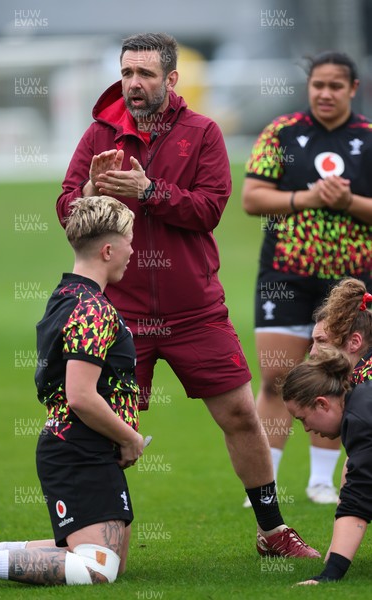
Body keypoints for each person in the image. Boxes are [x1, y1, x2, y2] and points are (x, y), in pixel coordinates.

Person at [55, 32, 319, 558]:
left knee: (241, 415)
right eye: (127, 72)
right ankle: (87, 534)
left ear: (171, 79)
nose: (133, 83)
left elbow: (209, 210)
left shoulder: (203, 133)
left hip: (195, 309)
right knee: (110, 426)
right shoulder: (99, 134)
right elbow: (66, 211)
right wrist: (89, 191)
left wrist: (148, 192)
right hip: (120, 312)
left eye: (145, 74)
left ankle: (272, 532)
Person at [0, 195, 145, 586]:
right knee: (96, 569)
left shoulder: (66, 296)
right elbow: (80, 395)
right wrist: (131, 439)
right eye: (129, 241)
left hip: (81, 443)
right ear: (108, 250)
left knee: (111, 561)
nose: (133, 250)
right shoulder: (92, 308)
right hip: (78, 445)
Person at [242, 50, 372, 505]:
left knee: (335, 373)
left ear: (353, 89)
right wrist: (309, 197)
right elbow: (252, 198)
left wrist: (348, 203)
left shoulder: (369, 138)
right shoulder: (282, 132)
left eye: (336, 86)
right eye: (318, 84)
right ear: (308, 87)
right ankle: (266, 482)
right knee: (276, 375)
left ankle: (321, 481)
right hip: (285, 275)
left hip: (350, 283)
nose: (325, 93)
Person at [281, 346, 372, 584]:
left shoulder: (361, 419)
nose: (307, 429)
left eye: (302, 419)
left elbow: (358, 501)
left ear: (322, 404)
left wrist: (329, 575)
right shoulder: (361, 400)